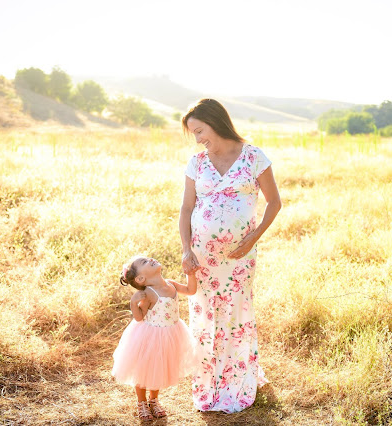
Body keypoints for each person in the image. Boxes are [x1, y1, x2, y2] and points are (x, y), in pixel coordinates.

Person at [179, 98, 282, 413]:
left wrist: (252, 238)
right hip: (202, 257)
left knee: (235, 315)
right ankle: (210, 380)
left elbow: (274, 203)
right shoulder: (197, 162)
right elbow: (186, 208)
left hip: (239, 258)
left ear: (215, 121)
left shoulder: (253, 157)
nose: (198, 139)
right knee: (207, 315)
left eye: (200, 130)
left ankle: (236, 379)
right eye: (193, 134)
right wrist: (186, 249)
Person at [112, 255, 198, 421]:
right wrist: (133, 304)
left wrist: (191, 273)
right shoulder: (148, 293)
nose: (150, 259)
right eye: (144, 262)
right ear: (141, 278)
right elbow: (139, 317)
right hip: (150, 336)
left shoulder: (171, 284)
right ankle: (142, 402)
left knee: (159, 367)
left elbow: (190, 290)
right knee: (144, 368)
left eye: (147, 258)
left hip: (170, 334)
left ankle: (154, 400)